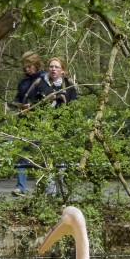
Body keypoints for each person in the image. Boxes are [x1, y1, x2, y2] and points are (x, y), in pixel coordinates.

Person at [11, 51, 51, 196]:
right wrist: (16, 105)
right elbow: (18, 99)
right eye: (25, 67)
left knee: (42, 157)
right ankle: (20, 187)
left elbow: (49, 99)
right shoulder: (23, 82)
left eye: (29, 66)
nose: (27, 69)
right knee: (22, 155)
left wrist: (33, 106)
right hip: (24, 123)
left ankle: (43, 188)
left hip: (39, 123)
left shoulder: (43, 79)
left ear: (36, 65)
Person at [43, 57, 78, 195]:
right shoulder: (43, 84)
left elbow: (75, 107)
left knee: (61, 165)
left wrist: (65, 101)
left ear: (62, 71)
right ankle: (49, 196)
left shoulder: (69, 86)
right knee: (48, 164)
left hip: (63, 129)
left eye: (56, 67)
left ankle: (61, 193)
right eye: (51, 66)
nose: (53, 69)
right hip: (46, 128)